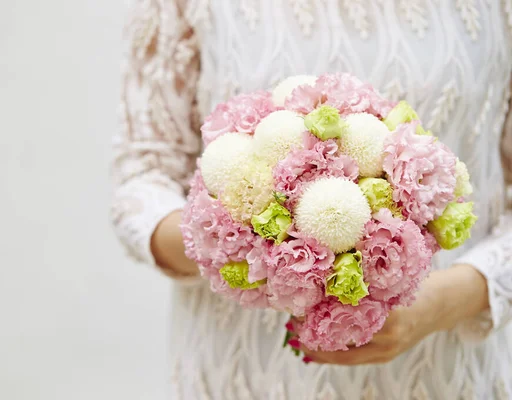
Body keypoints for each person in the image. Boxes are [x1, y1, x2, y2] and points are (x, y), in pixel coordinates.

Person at [111, 1, 512, 398]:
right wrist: (239, 250)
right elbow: (142, 178)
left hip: (440, 364)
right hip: (245, 370)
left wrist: (450, 299)